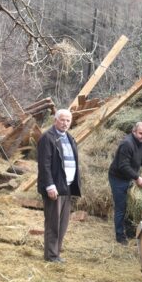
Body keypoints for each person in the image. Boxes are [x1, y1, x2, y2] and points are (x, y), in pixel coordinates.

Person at [37, 109, 81, 263]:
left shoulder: (69, 137)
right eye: (62, 120)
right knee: (53, 222)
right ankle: (51, 255)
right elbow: (44, 165)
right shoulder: (47, 138)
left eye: (68, 120)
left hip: (66, 186)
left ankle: (56, 253)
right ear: (55, 120)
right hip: (54, 186)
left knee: (62, 223)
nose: (65, 123)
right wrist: (49, 185)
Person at [108, 122, 142, 244]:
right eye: (140, 133)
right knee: (121, 207)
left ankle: (130, 231)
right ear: (133, 132)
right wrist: (137, 177)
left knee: (130, 205)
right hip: (118, 178)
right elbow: (123, 166)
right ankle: (120, 236)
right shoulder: (127, 144)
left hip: (129, 177)